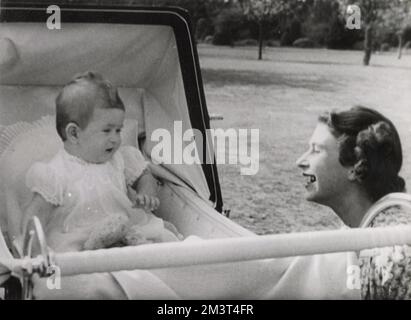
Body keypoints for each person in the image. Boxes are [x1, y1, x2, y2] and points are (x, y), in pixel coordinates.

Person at [22, 71, 181, 253]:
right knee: (80, 271)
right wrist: (34, 249)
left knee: (161, 246)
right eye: (107, 131)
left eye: (118, 130)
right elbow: (36, 214)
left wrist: (146, 193)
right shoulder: (56, 173)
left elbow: (145, 176)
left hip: (125, 228)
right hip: (79, 240)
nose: (115, 139)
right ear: (74, 133)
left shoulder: (119, 159)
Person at [296, 106, 411, 299]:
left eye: (316, 150)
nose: (300, 161)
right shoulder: (371, 232)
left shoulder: (393, 251)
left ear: (355, 165)